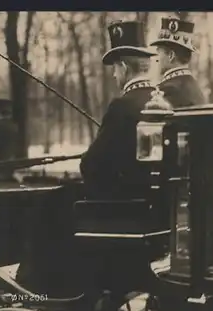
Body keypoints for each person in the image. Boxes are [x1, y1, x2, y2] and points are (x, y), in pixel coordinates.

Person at [80, 20, 157, 200]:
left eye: (115, 68)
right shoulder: (162, 99)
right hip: (161, 204)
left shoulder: (121, 107)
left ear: (123, 68)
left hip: (128, 208)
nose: (114, 75)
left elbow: (91, 164)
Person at [149, 15, 205, 108]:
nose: (157, 58)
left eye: (159, 52)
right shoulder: (195, 87)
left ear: (171, 56)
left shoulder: (168, 90)